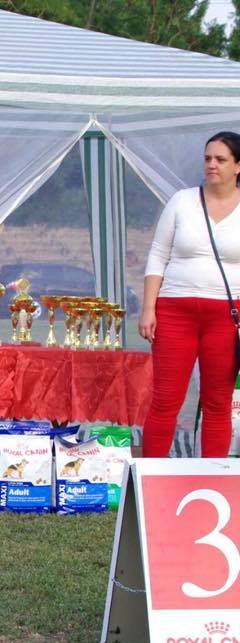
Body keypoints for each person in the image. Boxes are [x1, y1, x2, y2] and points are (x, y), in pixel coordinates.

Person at [140, 131, 240, 457]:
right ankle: (151, 474)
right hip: (174, 310)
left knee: (218, 401)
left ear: (238, 166)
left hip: (226, 315)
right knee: (165, 399)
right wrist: (148, 308)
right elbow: (158, 254)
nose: (212, 165)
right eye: (207, 158)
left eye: (221, 159)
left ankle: (213, 476)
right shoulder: (182, 201)